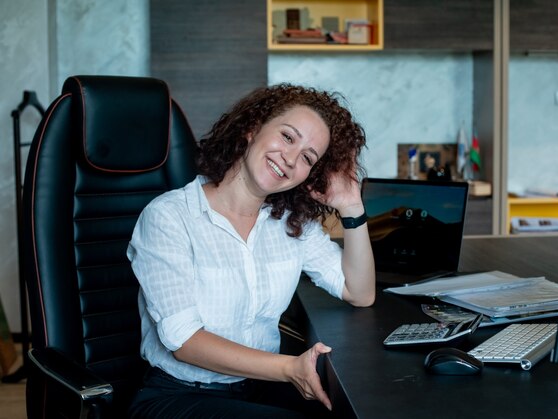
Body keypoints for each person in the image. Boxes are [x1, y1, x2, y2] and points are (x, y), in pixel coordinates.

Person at [126, 84, 376, 418]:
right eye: (288, 137)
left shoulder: (291, 224)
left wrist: (351, 206)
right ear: (252, 128)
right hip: (177, 396)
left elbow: (359, 292)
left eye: (307, 158)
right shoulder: (170, 216)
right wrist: (289, 368)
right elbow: (185, 343)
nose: (290, 159)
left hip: (256, 388)